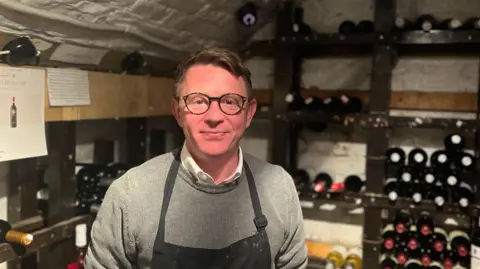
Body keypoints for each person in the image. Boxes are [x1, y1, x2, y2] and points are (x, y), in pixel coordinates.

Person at [85, 47, 308, 269]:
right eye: (198, 101)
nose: (214, 117)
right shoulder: (131, 193)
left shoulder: (279, 188)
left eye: (230, 101)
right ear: (177, 112)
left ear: (248, 113)